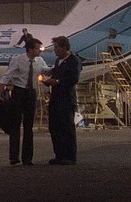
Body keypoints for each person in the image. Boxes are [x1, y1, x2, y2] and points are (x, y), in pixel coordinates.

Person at [0, 37, 50, 166]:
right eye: (37, 48)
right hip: (19, 92)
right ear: (30, 49)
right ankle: (14, 156)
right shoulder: (18, 60)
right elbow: (6, 76)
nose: (40, 51)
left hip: (31, 92)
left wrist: (59, 67)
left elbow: (46, 70)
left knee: (28, 126)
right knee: (15, 125)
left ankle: (27, 158)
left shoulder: (39, 60)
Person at [43, 35, 82, 165]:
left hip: (66, 99)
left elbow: (74, 78)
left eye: (56, 48)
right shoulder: (57, 61)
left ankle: (70, 156)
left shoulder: (73, 60)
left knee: (66, 127)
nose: (55, 50)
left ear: (65, 47)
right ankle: (59, 154)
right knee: (55, 127)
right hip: (55, 98)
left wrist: (58, 81)